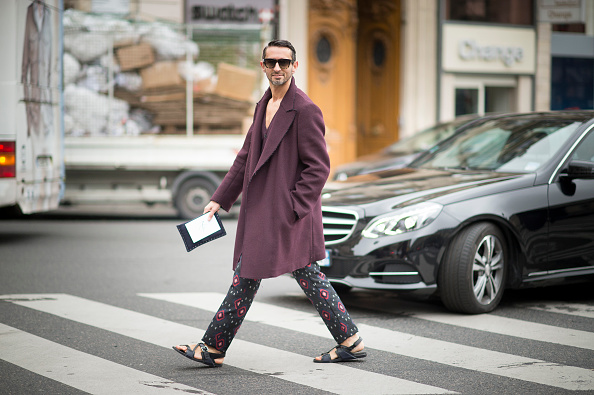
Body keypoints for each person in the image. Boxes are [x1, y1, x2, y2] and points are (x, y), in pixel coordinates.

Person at [173, 39, 366, 368]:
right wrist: (219, 199)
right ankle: (350, 340)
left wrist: (292, 207)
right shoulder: (263, 105)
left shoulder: (304, 109)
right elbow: (247, 157)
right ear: (262, 66)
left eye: (284, 62)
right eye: (272, 62)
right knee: (291, 273)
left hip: (287, 214)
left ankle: (213, 347)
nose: (278, 68)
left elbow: (319, 168)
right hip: (262, 212)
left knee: (256, 273)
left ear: (294, 66)